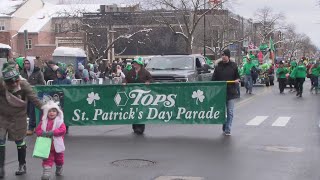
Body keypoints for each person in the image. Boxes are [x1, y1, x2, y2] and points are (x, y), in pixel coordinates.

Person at [0, 63, 43, 178]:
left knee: (19, 141)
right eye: (10, 82)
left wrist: (47, 109)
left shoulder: (24, 84)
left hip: (18, 117)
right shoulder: (1, 84)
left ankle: (22, 165)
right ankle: (0, 168)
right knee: (0, 140)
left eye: (16, 80)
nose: (14, 83)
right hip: (2, 116)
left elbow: (34, 99)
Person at [212, 49, 240, 136]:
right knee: (223, 112)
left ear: (228, 56)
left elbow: (238, 77)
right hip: (221, 93)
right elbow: (213, 79)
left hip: (230, 92)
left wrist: (237, 80)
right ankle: (224, 125)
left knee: (230, 111)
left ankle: (228, 129)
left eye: (225, 55)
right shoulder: (218, 67)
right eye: (222, 55)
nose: (223, 56)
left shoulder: (233, 66)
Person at [35, 101, 66, 180]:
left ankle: (59, 167)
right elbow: (38, 131)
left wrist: (53, 132)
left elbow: (63, 130)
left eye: (54, 111)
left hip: (57, 145)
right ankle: (46, 173)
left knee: (59, 159)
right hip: (47, 145)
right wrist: (43, 133)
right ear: (46, 113)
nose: (51, 113)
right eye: (49, 111)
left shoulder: (59, 122)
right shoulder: (43, 122)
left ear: (57, 112)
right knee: (47, 159)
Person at [122, 57, 152, 135]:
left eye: (136, 62)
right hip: (132, 95)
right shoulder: (130, 72)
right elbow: (126, 79)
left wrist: (148, 82)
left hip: (142, 96)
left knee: (140, 111)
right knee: (134, 111)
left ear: (140, 64)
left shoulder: (145, 72)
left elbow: (151, 79)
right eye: (134, 62)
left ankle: (141, 127)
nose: (134, 64)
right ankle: (135, 127)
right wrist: (124, 82)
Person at [20, 57, 46, 135]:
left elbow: (42, 84)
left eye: (28, 63)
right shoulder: (22, 72)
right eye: (25, 63)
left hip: (34, 94)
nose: (26, 65)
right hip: (25, 94)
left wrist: (32, 87)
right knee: (27, 111)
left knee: (32, 111)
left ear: (31, 64)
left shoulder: (38, 72)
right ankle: (34, 126)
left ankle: (31, 128)